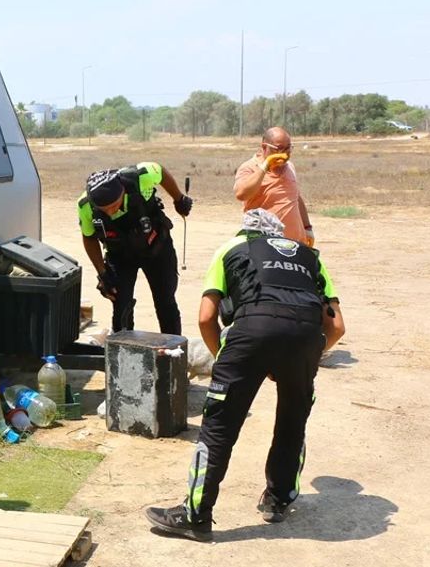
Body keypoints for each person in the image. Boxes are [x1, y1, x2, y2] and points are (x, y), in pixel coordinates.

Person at [145, 209, 345, 541]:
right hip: (305, 338)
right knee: (292, 422)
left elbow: (207, 317)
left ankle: (196, 515)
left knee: (219, 427)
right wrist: (302, 357)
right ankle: (279, 499)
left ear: (245, 233)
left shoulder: (231, 248)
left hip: (250, 332)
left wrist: (224, 359)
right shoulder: (310, 256)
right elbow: (336, 326)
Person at [78, 162, 193, 336]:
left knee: (165, 301)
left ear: (122, 192)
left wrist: (179, 198)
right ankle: (123, 353)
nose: (110, 212)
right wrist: (102, 273)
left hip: (157, 249)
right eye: (104, 209)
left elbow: (160, 171)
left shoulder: (140, 177)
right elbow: (89, 238)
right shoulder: (86, 206)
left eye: (114, 206)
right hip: (120, 256)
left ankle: (173, 352)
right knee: (121, 305)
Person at [234, 127, 315, 246]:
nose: (284, 154)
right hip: (265, 244)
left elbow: (296, 198)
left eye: (288, 148)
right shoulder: (249, 167)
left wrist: (307, 228)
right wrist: (265, 166)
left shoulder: (290, 167)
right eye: (279, 149)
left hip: (295, 243)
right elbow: (241, 194)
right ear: (264, 147)